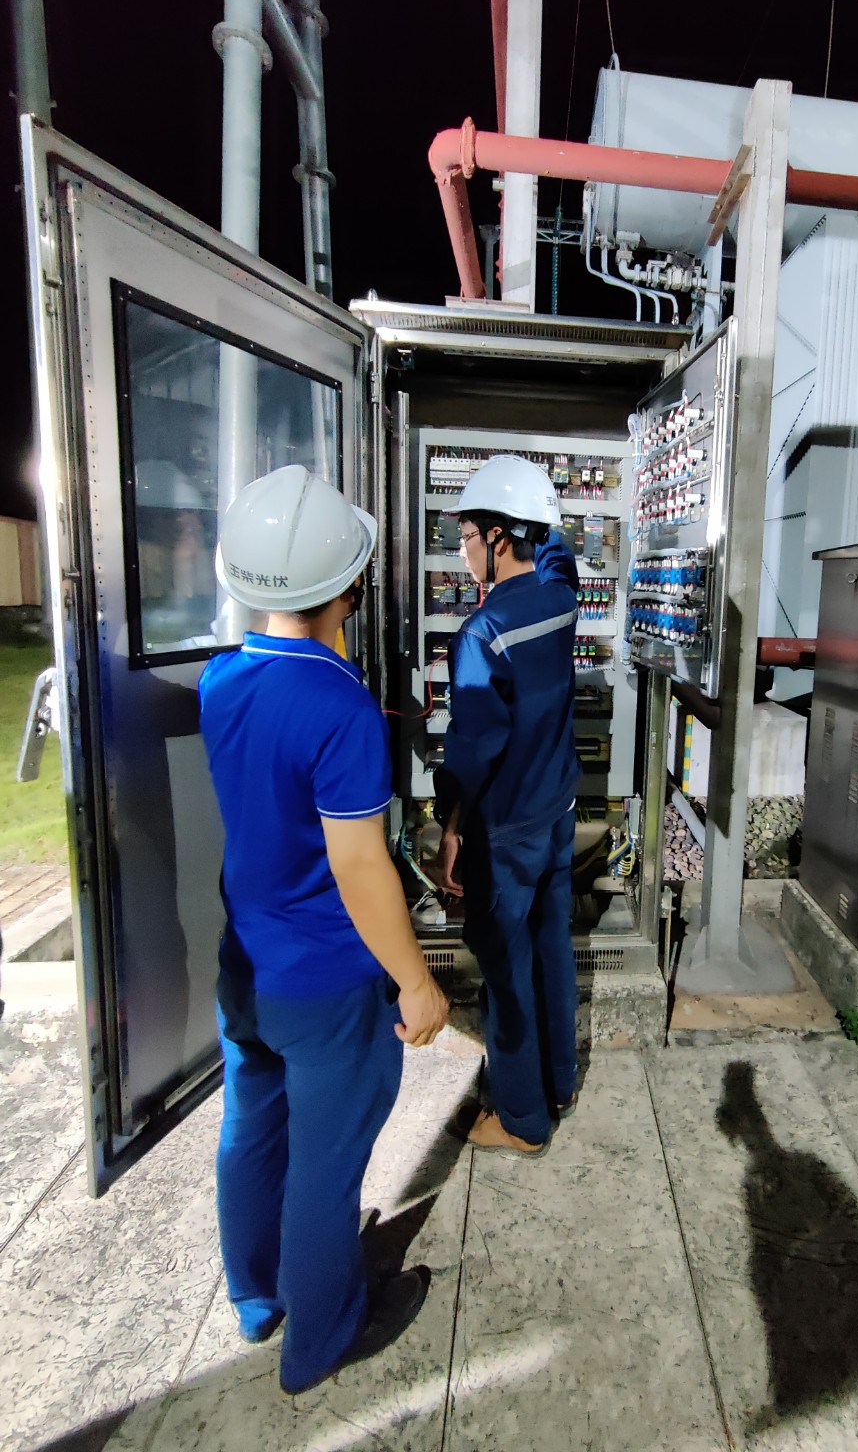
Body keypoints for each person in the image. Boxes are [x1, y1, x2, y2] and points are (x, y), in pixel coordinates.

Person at [199, 463, 449, 1395]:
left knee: (252, 1131)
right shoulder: (340, 706)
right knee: (325, 1166)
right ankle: (322, 1339)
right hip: (325, 982)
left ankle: (256, 1297)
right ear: (350, 586)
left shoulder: (221, 679)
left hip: (246, 967)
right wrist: (416, 982)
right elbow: (359, 865)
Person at [432, 455, 580, 1157]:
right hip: (557, 813)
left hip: (506, 831)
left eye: (466, 535)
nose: (460, 550)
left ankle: (522, 1120)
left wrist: (450, 827)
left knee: (506, 971)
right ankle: (560, 1082)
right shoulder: (561, 599)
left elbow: (473, 750)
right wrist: (538, 519)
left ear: (497, 536)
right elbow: (558, 548)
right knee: (552, 950)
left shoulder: (483, 633)